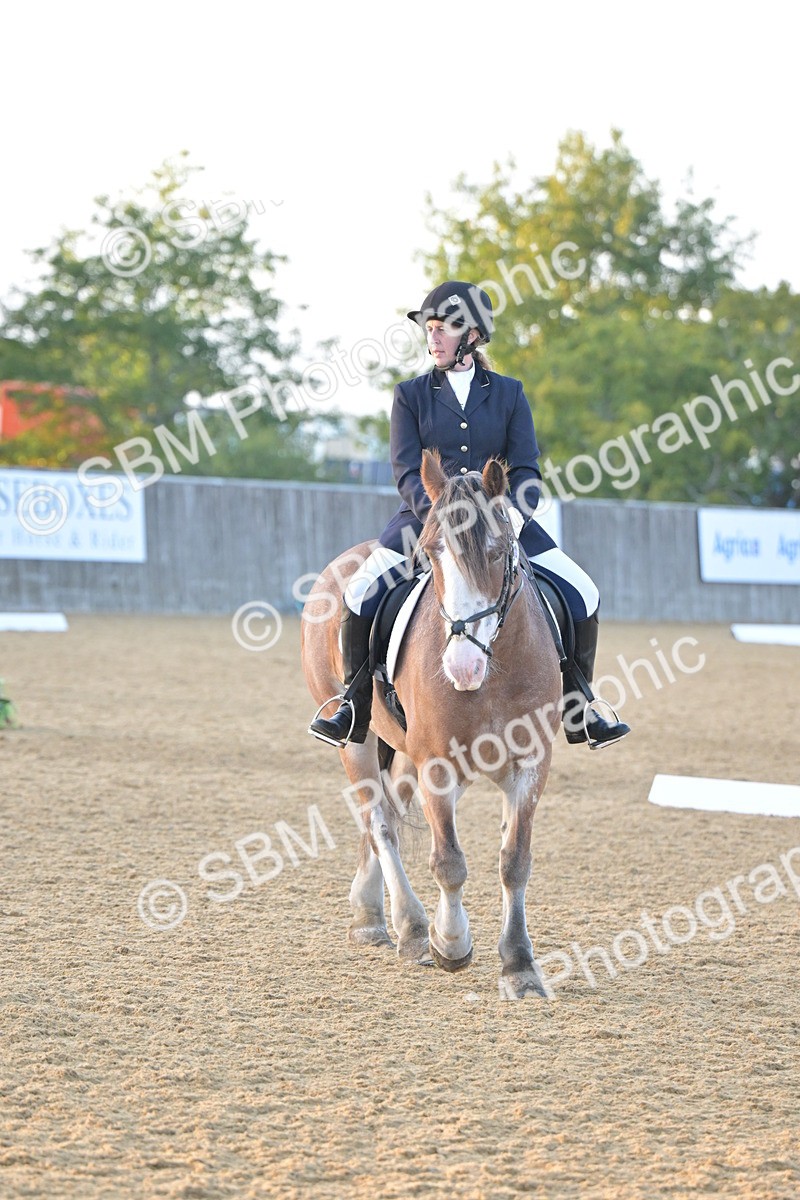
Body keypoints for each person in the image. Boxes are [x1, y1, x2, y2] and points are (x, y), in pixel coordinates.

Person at [309, 281, 630, 751]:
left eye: (442, 329)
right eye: (429, 329)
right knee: (359, 591)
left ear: (473, 335)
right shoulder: (410, 395)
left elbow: (526, 470)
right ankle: (354, 704)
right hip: (426, 522)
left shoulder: (509, 394)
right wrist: (440, 517)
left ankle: (580, 704)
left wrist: (512, 519)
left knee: (584, 591)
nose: (432, 338)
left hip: (499, 524)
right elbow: (405, 470)